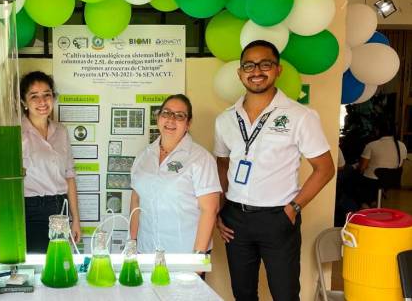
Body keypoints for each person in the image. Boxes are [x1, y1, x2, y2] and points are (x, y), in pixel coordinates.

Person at [214, 40, 335, 301]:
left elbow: (324, 169)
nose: (256, 71)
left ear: (277, 70)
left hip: (278, 217)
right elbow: (222, 164)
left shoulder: (300, 116)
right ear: (240, 73)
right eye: (249, 65)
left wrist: (294, 208)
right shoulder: (225, 119)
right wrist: (220, 210)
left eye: (265, 64)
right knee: (243, 293)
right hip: (235, 219)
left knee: (285, 293)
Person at [129, 94, 221, 258]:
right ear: (158, 118)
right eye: (166, 113)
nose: (171, 120)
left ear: (188, 123)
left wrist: (198, 258)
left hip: (184, 254)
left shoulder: (200, 158)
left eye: (179, 116)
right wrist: (133, 242)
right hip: (146, 251)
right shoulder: (143, 156)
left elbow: (210, 209)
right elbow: (136, 200)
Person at [20, 71, 81, 252]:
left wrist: (75, 218)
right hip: (31, 210)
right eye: (34, 96)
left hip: (60, 207)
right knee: (39, 265)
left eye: (47, 95)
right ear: (24, 102)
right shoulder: (16, 133)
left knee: (60, 263)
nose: (42, 101)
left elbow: (69, 176)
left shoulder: (61, 131)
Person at [356, 122, 407, 207]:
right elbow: (401, 165)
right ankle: (374, 201)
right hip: (393, 180)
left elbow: (362, 167)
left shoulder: (372, 145)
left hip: (373, 181)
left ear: (378, 131)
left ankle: (365, 204)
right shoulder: (402, 146)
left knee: (355, 180)